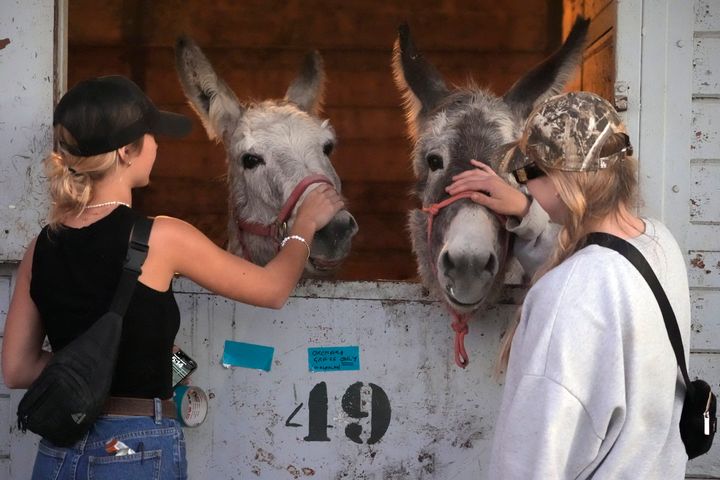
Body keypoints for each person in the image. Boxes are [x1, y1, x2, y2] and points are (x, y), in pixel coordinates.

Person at [1, 75, 344, 479]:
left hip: (58, 452)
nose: (158, 145)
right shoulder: (161, 237)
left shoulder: (40, 247)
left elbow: (17, 369)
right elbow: (271, 289)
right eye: (151, 136)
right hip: (132, 449)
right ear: (127, 151)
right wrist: (304, 225)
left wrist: (97, 365)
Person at [447, 91, 690, 478]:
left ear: (559, 182)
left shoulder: (566, 295)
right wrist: (527, 213)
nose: (522, 184)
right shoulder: (658, 244)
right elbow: (600, 271)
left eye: (526, 173)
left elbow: (530, 464)